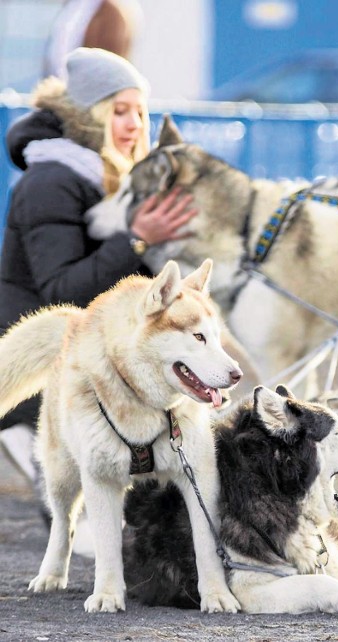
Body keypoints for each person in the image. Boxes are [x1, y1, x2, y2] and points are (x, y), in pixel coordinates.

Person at [0, 47, 196, 500]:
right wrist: (136, 237)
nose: (133, 124)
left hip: (97, 353)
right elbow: (61, 291)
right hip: (43, 361)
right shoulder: (52, 180)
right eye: (118, 111)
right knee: (81, 522)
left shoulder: (115, 180)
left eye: (141, 112)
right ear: (88, 116)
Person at [42, 0, 143, 80]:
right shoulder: (72, 7)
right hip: (61, 87)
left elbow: (111, 62)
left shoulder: (112, 11)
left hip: (88, 92)